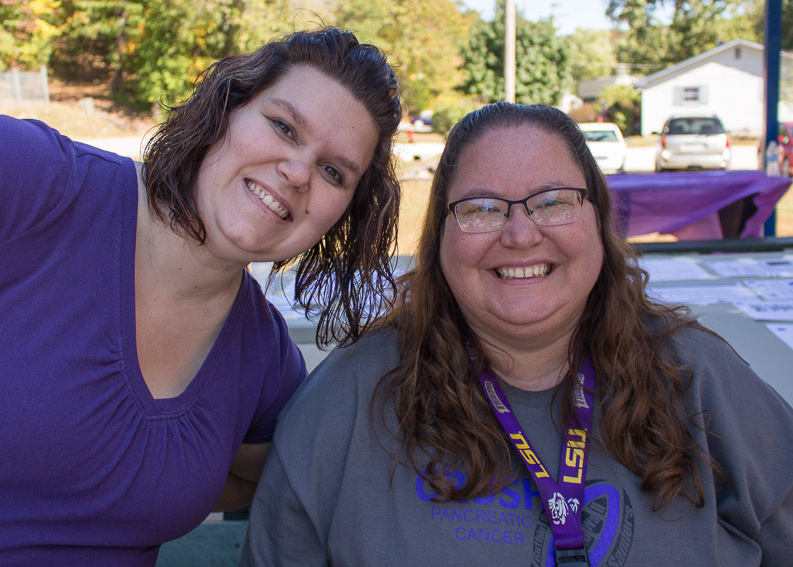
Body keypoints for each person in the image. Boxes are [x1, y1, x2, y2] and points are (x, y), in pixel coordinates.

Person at [241, 102, 793, 566]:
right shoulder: (347, 401)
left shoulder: (702, 381)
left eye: (553, 202)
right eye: (482, 208)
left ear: (599, 220)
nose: (521, 235)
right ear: (440, 236)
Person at [0, 27, 401, 565]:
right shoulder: (29, 180)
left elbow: (258, 481)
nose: (298, 172)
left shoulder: (267, 365)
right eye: (283, 127)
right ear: (224, 109)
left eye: (333, 171)